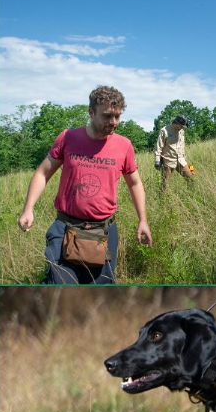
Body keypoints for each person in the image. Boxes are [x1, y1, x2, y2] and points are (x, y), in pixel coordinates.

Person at [18, 86, 152, 284]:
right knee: (58, 284)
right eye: (107, 116)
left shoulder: (124, 145)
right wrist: (28, 208)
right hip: (65, 227)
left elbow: (135, 184)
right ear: (91, 112)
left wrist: (143, 220)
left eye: (117, 116)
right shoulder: (68, 138)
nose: (113, 122)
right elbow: (43, 173)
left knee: (100, 289)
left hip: (103, 231)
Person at [154, 115, 194, 191]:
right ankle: (163, 201)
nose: (182, 128)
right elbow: (158, 146)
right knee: (164, 184)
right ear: (175, 123)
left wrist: (184, 158)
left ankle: (192, 194)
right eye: (181, 126)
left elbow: (182, 145)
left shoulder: (182, 131)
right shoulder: (164, 130)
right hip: (168, 161)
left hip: (181, 161)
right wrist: (157, 160)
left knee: (191, 176)